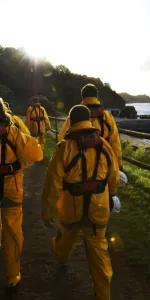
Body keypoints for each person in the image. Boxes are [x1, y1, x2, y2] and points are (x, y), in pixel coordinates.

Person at [41, 105, 120, 300]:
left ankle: (61, 255)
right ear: (88, 121)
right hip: (98, 208)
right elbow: (114, 178)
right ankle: (103, 296)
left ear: (71, 121)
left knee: (65, 239)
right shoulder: (103, 145)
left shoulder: (64, 147)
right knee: (99, 253)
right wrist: (111, 194)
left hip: (71, 207)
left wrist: (48, 211)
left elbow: (53, 182)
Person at [0, 98, 43, 287]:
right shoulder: (13, 130)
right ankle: (12, 276)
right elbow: (37, 154)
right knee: (13, 233)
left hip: (11, 188)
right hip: (12, 188)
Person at [58, 84, 123, 171]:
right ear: (96, 96)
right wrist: (119, 165)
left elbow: (62, 137)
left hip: (78, 166)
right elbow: (115, 143)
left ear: (82, 97)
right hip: (102, 166)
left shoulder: (75, 113)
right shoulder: (107, 116)